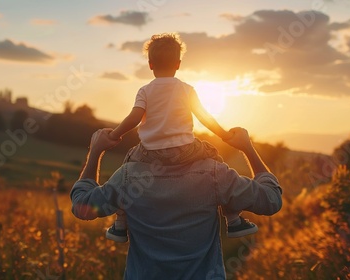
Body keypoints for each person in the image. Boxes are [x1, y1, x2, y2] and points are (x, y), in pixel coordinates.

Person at [70, 127, 282, 279]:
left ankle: (120, 223)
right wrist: (247, 147)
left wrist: (96, 151)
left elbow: (82, 206)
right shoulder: (214, 173)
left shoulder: (128, 177)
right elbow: (271, 200)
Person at [104, 33, 255, 242]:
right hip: (186, 150)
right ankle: (233, 218)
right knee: (215, 159)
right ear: (178, 64)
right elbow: (204, 117)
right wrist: (224, 135)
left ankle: (120, 224)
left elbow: (135, 118)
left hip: (150, 154)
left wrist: (114, 134)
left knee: (128, 166)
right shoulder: (187, 89)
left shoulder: (145, 91)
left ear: (150, 65)